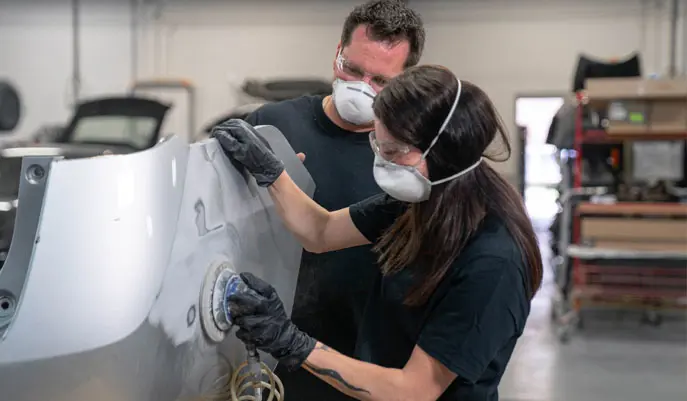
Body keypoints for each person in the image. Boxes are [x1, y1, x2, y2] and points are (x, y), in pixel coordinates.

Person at [212, 65, 543, 401]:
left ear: (445, 152)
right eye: (379, 144)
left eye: (394, 151)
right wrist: (272, 173)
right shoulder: (418, 202)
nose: (382, 161)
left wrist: (291, 342)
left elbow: (414, 390)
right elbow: (321, 231)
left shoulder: (494, 263)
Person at [238, 1, 425, 399]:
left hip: (365, 360)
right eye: (352, 69)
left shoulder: (409, 160)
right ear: (337, 53)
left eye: (380, 80)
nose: (360, 87)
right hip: (271, 345)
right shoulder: (272, 126)